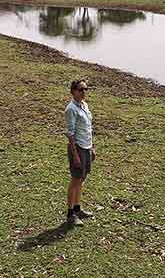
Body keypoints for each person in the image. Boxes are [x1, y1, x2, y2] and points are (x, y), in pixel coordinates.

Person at [64, 79, 95, 226]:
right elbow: (70, 133)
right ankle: (70, 213)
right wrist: (75, 155)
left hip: (86, 146)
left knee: (82, 178)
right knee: (75, 180)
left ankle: (77, 208)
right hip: (78, 148)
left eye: (85, 89)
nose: (84, 92)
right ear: (73, 91)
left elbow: (88, 128)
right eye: (81, 89)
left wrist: (92, 148)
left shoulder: (84, 105)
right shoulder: (71, 109)